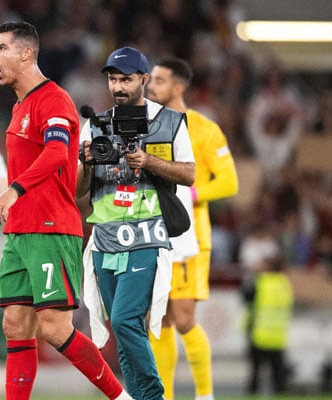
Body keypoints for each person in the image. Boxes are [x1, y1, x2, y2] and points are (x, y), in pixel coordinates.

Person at [0, 21, 130, 400]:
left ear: (26, 53)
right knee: (15, 324)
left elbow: (56, 152)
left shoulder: (53, 99)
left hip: (50, 227)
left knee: (54, 328)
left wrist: (12, 191)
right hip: (20, 231)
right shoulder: (20, 106)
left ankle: (122, 397)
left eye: (0, 48)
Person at [77, 46, 195, 400]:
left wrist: (149, 162)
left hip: (147, 234)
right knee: (122, 327)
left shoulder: (171, 122)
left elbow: (189, 175)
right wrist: (84, 163)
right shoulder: (95, 123)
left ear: (144, 79)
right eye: (113, 79)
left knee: (128, 320)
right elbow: (80, 192)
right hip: (106, 239)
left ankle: (154, 396)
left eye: (126, 79)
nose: (118, 87)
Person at [146, 57, 239, 400]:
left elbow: (229, 181)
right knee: (159, 318)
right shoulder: (148, 125)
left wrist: (190, 193)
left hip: (189, 236)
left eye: (158, 80)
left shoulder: (204, 128)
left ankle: (204, 394)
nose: (150, 86)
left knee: (183, 317)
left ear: (178, 87)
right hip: (152, 235)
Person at [242, 251, 293, 394]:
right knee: (278, 371)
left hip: (260, 331)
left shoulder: (260, 282)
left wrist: (251, 275)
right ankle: (281, 394)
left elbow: (246, 297)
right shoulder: (284, 282)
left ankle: (253, 393)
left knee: (255, 371)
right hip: (278, 333)